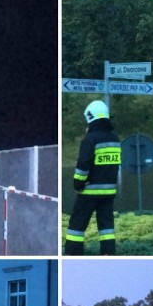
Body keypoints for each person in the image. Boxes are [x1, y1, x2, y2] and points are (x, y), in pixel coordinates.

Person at [65, 100, 121, 255]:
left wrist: (78, 184)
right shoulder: (115, 138)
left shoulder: (90, 139)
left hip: (89, 191)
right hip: (109, 191)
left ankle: (72, 255)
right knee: (107, 227)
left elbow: (84, 164)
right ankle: (108, 254)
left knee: (76, 226)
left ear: (91, 118)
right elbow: (114, 164)